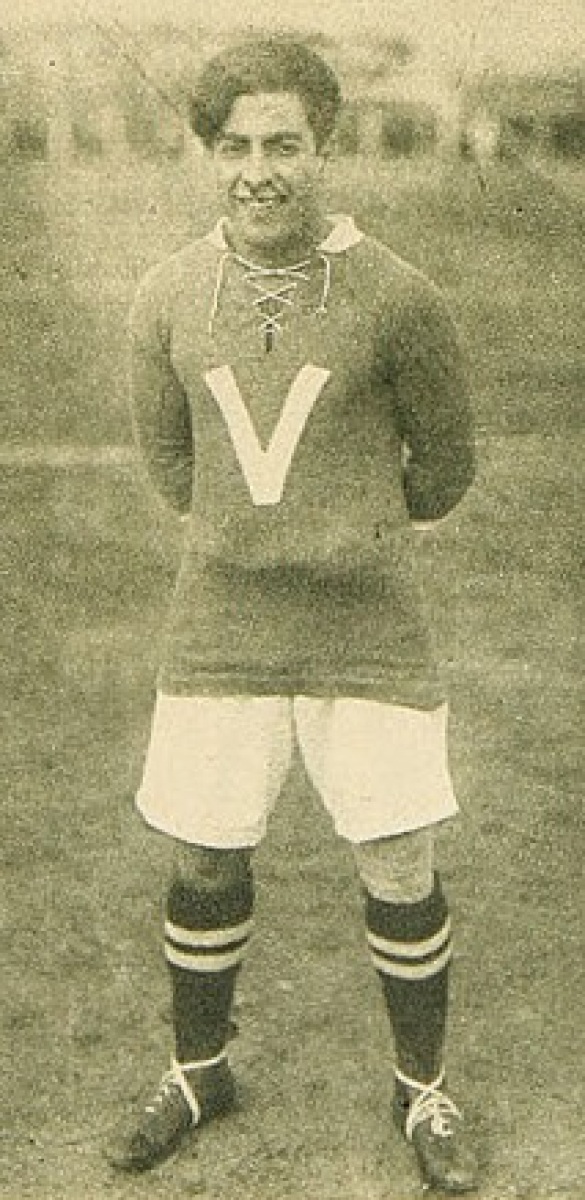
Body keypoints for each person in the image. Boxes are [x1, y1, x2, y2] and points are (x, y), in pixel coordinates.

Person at [110, 33, 478, 1194]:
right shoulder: (167, 294)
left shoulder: (399, 295)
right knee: (203, 852)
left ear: (325, 150)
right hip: (220, 623)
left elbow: (447, 468)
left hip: (368, 623)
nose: (258, 170)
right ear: (209, 156)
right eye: (235, 147)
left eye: (283, 144)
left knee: (399, 859)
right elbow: (174, 467)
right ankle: (197, 1070)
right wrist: (256, 540)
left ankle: (423, 1089)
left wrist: (344, 530)